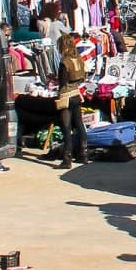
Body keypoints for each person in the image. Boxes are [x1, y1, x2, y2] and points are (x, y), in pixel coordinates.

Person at [55, 33, 88, 171]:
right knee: (80, 124)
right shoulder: (78, 59)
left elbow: (62, 82)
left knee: (67, 127)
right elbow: (82, 77)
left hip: (66, 95)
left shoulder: (65, 62)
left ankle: (67, 158)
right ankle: (84, 154)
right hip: (77, 93)